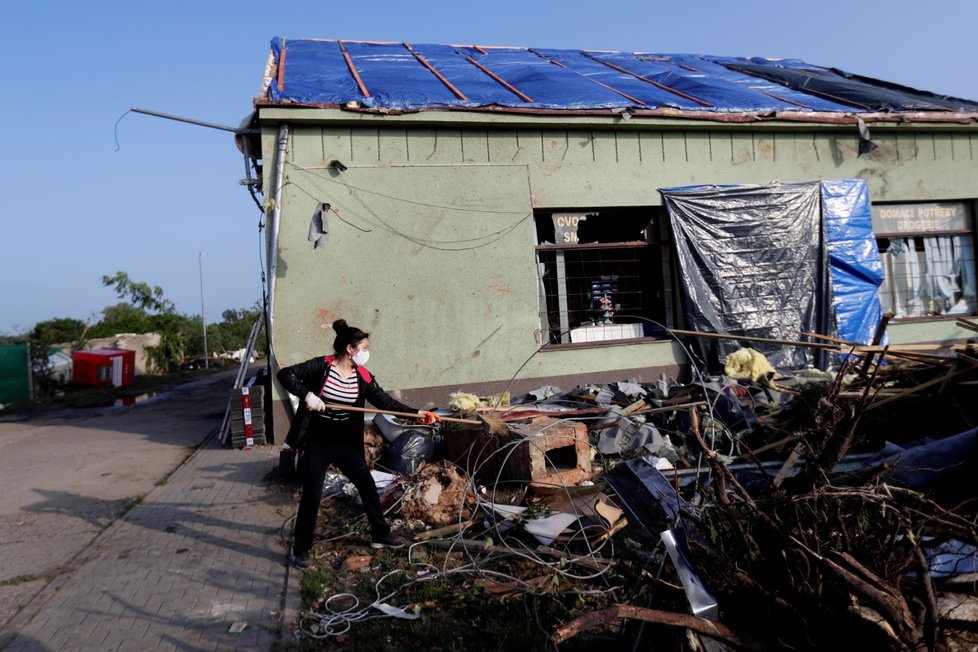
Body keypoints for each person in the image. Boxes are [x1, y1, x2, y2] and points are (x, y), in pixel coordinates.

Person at [277, 319, 441, 569]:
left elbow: (386, 403)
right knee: (312, 493)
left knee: (366, 483)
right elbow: (285, 374)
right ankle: (300, 549)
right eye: (363, 347)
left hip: (345, 440)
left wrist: (419, 413)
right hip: (319, 439)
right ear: (349, 349)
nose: (367, 352)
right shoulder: (322, 366)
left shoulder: (362, 376)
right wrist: (308, 395)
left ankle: (380, 535)